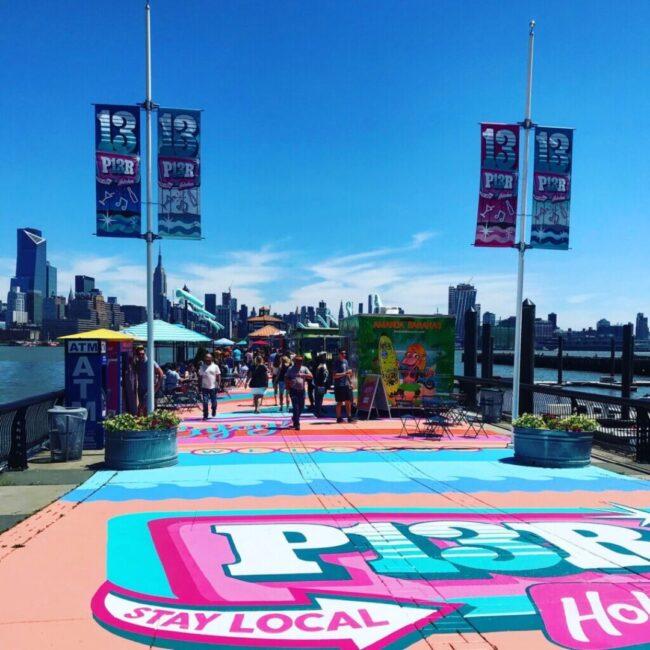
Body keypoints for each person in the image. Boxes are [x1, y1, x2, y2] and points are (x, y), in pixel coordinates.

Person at [285, 356, 313, 430]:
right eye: (297, 361)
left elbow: (311, 376)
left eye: (300, 361)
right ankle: (297, 424)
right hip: (293, 390)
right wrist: (289, 382)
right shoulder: (290, 369)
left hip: (302, 390)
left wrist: (303, 375)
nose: (299, 362)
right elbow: (286, 377)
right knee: (296, 407)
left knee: (301, 407)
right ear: (294, 361)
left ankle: (295, 417)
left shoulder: (304, 368)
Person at [134, 346, 163, 416]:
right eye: (139, 354)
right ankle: (146, 421)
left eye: (142, 354)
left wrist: (156, 388)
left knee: (143, 408)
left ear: (145, 353)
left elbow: (161, 374)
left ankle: (147, 421)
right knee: (142, 409)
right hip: (140, 390)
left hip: (149, 390)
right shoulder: (137, 363)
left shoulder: (151, 362)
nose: (141, 355)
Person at [333, 349, 355, 423]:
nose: (344, 355)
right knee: (339, 402)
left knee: (348, 401)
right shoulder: (336, 363)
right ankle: (338, 418)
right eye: (342, 353)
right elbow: (334, 376)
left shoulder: (346, 361)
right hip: (339, 385)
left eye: (345, 353)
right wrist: (345, 373)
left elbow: (347, 373)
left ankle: (349, 417)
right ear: (339, 354)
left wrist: (350, 382)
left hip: (346, 385)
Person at [198, 353, 220, 420]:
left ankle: (214, 409)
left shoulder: (215, 366)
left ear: (211, 359)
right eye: (206, 358)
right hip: (204, 387)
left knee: (214, 401)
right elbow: (200, 377)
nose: (207, 360)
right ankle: (205, 414)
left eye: (208, 359)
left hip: (213, 387)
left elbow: (218, 376)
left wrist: (218, 385)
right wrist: (199, 386)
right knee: (205, 402)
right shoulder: (202, 367)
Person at [313, 352, 330, 418]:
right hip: (319, 384)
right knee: (318, 398)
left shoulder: (325, 363)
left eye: (325, 355)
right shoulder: (318, 364)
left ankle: (319, 410)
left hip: (323, 384)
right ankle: (318, 412)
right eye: (323, 355)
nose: (325, 357)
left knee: (320, 398)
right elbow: (316, 374)